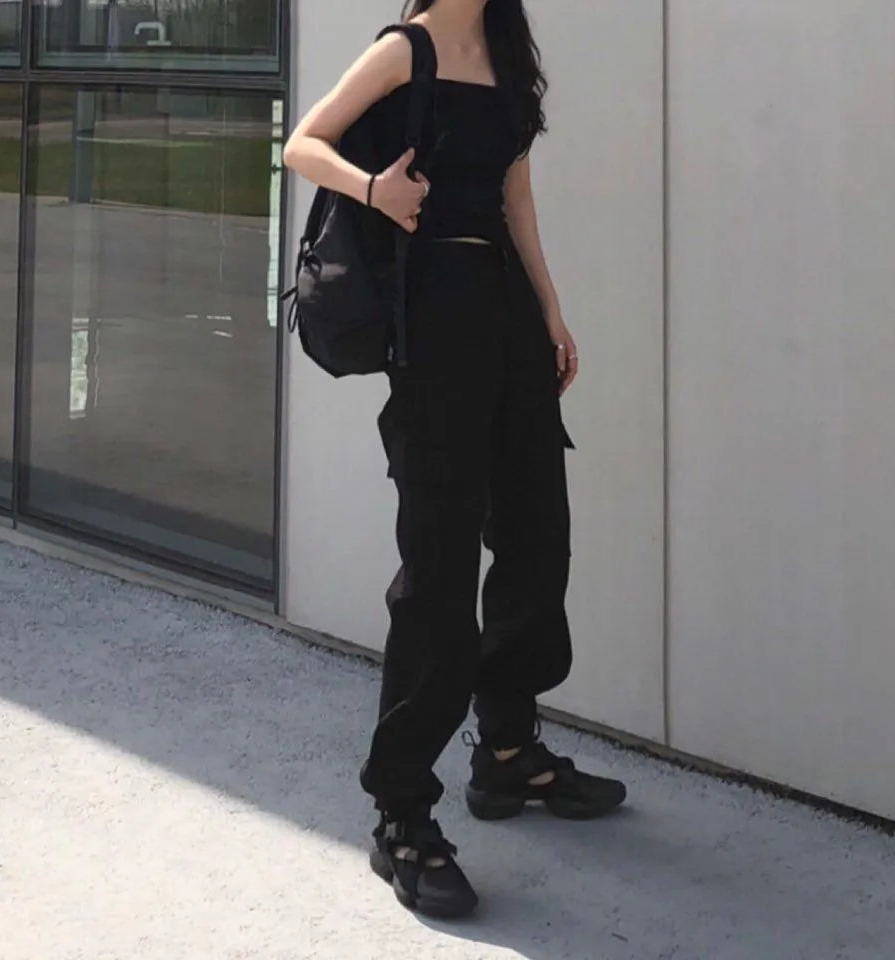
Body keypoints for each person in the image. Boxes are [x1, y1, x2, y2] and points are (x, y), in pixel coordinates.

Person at [282, 0, 626, 919]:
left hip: (507, 317)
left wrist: (550, 309)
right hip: (433, 325)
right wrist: (374, 191)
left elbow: (517, 195)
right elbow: (302, 144)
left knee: (536, 539)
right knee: (438, 570)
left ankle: (508, 750)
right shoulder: (407, 48)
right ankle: (402, 813)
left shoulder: (508, 51)